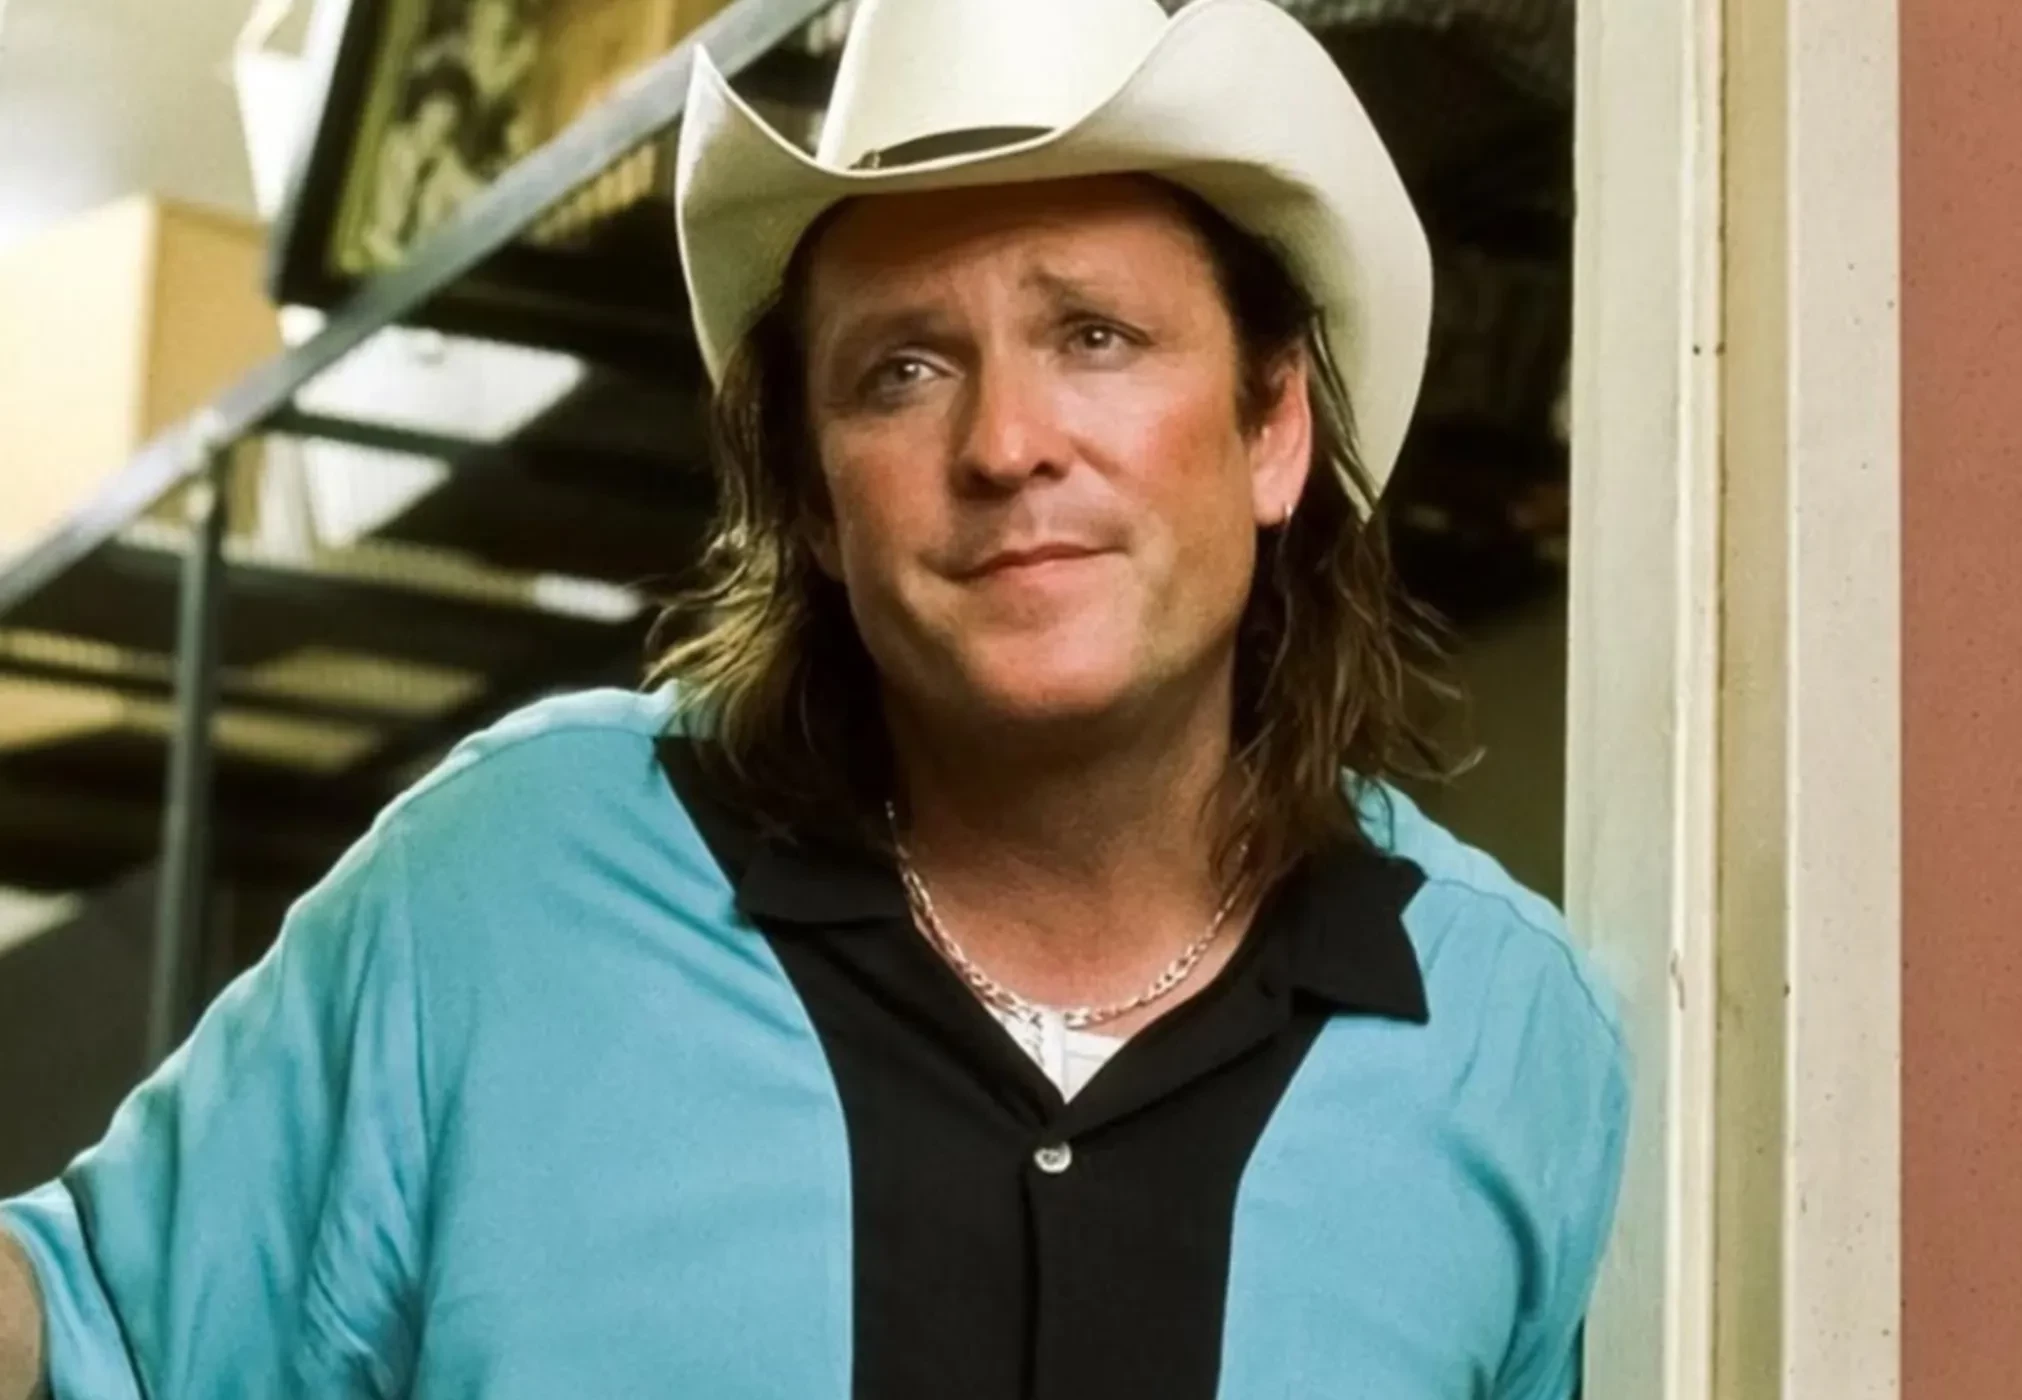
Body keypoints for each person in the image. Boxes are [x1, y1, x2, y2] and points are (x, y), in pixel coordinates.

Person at [0, 0, 1629, 1395]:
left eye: (1095, 335)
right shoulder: (502, 885)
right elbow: (88, 1339)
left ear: (1273, 430)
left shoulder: (1505, 1029)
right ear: (816, 502)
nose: (1005, 445)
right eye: (901, 370)